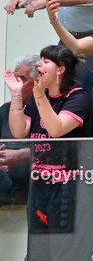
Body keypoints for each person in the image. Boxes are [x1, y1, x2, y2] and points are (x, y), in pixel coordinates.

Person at [5, 45, 93, 261]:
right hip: (39, 187)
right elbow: (20, 131)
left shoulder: (78, 97)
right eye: (39, 60)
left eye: (45, 61)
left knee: (64, 258)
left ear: (61, 69)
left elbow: (55, 129)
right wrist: (18, 95)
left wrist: (39, 94)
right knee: (40, 258)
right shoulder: (36, 98)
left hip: (68, 187)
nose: (39, 64)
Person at [0, 55, 38, 207]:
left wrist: (19, 155)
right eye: (14, 79)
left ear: (37, 82)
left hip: (34, 186)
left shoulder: (47, 111)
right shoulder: (5, 110)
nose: (16, 84)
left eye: (22, 79)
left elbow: (56, 150)